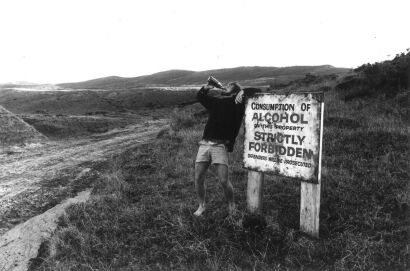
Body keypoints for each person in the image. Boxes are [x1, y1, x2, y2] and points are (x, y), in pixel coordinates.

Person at [193, 79, 259, 217]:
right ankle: (201, 205)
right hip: (205, 143)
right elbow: (200, 97)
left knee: (223, 180)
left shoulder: (237, 103)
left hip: (220, 145)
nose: (225, 86)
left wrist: (243, 91)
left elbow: (257, 91)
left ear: (234, 90)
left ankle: (231, 205)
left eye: (230, 86)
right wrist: (206, 87)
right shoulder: (217, 102)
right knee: (198, 177)